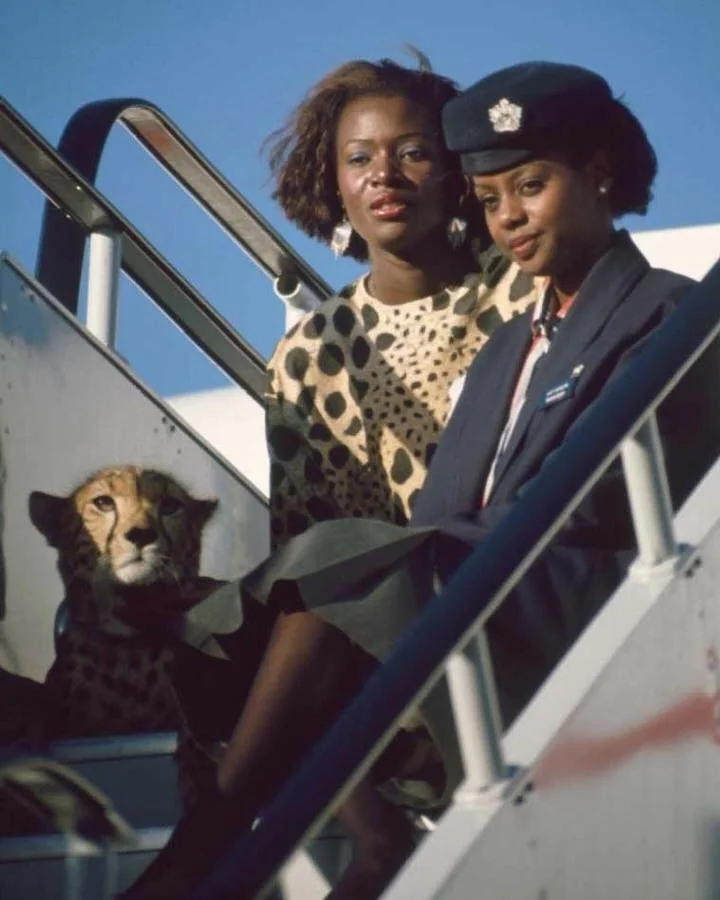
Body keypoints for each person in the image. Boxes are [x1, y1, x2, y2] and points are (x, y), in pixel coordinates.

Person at [121, 54, 537, 900]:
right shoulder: (311, 354)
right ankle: (369, 836)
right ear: (334, 183)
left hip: (485, 605)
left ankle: (203, 855)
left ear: (456, 172)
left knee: (335, 566)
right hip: (367, 647)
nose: (385, 174)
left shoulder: (519, 293)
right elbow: (298, 545)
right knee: (225, 613)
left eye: (413, 152)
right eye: (359, 158)